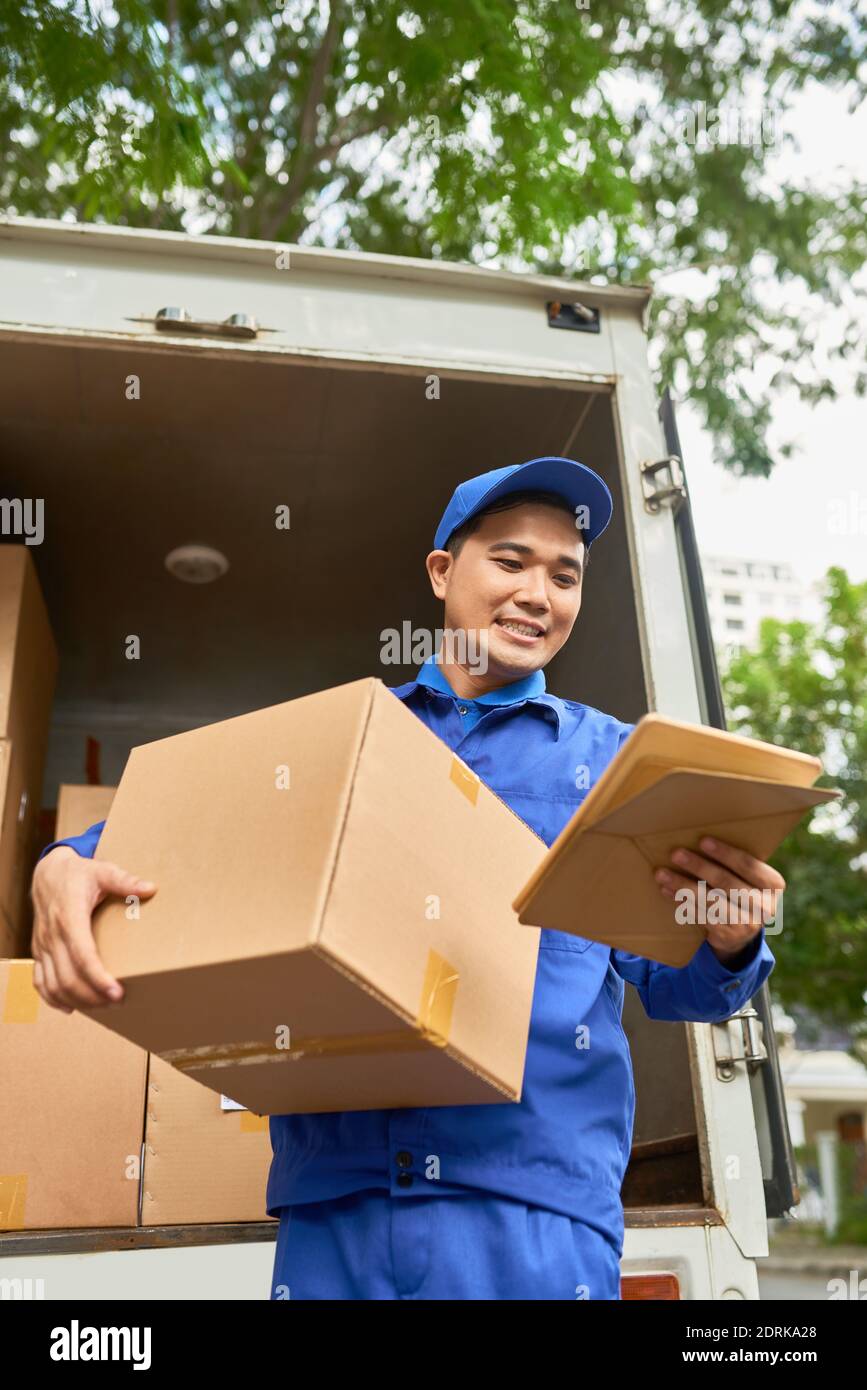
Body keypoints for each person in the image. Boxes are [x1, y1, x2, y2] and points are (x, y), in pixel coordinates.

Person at [31, 456, 782, 1301]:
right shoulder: (349, 734)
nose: (539, 593)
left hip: (531, 1206)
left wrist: (732, 934)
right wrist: (64, 862)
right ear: (440, 571)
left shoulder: (612, 764)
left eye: (564, 575)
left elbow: (680, 986)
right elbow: (192, 833)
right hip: (339, 1201)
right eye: (509, 561)